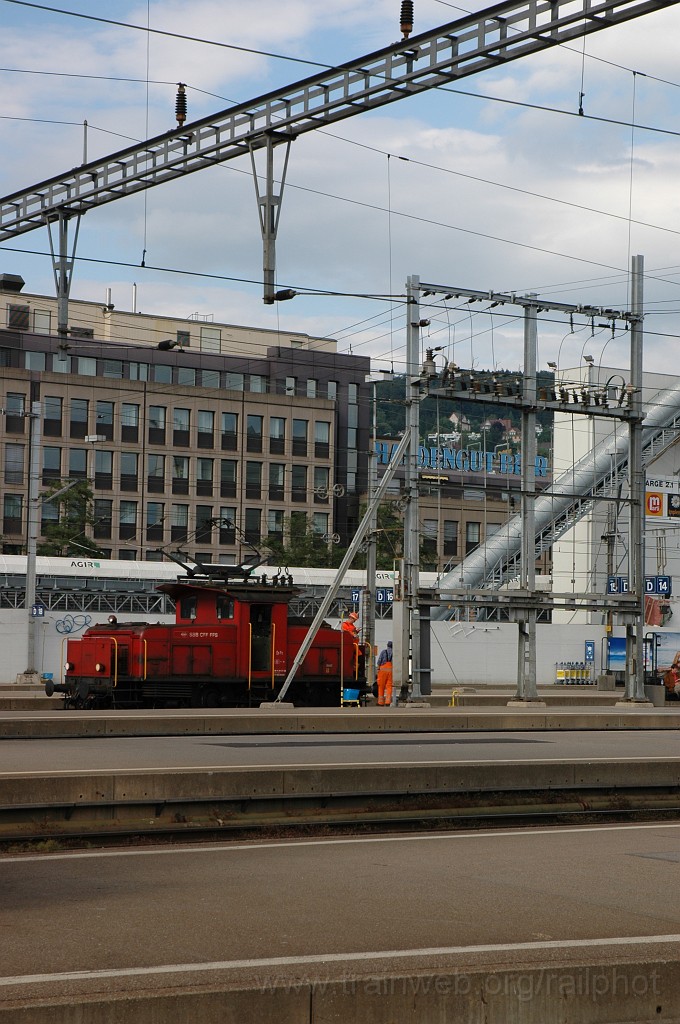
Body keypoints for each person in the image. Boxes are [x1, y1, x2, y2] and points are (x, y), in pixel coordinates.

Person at [376, 640, 393, 707]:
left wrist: (378, 669)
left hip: (382, 671)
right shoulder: (394, 652)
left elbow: (379, 661)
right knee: (389, 686)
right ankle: (388, 701)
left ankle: (381, 702)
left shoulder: (383, 652)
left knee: (381, 686)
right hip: (391, 671)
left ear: (387, 645)